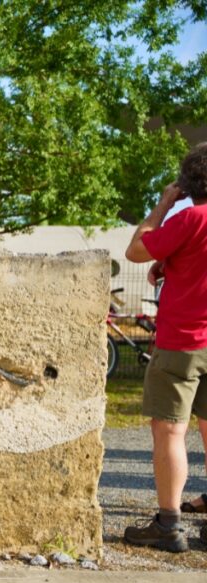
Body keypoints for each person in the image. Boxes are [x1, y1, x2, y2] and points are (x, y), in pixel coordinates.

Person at [122, 142, 207, 553]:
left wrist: (162, 206)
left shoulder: (190, 218)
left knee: (170, 430)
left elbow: (137, 249)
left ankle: (169, 525)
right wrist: (170, 264)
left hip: (183, 342)